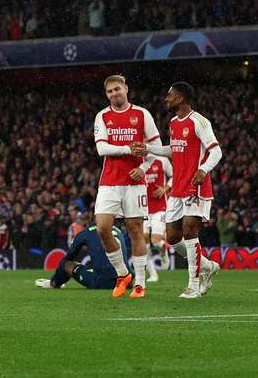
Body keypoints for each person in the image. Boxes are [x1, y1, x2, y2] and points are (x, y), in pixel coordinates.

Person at [136, 82, 222, 299]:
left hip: (196, 186)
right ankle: (208, 266)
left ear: (182, 97)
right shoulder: (174, 123)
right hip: (177, 189)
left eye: (170, 95)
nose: (167, 99)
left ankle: (193, 285)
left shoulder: (199, 121)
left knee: (190, 230)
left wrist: (203, 169)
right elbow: (172, 150)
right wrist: (149, 148)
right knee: (173, 237)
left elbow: (216, 151)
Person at [92, 75, 160, 299]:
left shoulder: (142, 114)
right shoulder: (102, 116)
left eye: (117, 89)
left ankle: (140, 283)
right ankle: (123, 274)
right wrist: (129, 149)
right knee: (102, 227)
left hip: (135, 183)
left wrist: (144, 168)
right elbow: (102, 149)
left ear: (126, 89)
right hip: (109, 182)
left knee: (135, 231)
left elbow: (156, 147)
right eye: (110, 91)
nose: (114, 94)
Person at [35, 222, 132, 290]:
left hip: (104, 281)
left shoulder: (86, 232)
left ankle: (54, 283)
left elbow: (69, 256)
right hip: (127, 281)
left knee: (66, 264)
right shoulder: (118, 231)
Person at [143, 156, 172, 283]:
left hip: (160, 208)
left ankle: (163, 249)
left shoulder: (161, 160)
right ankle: (153, 275)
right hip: (143, 209)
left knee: (155, 241)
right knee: (144, 243)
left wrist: (165, 189)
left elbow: (174, 176)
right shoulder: (137, 162)